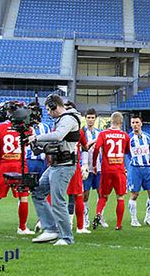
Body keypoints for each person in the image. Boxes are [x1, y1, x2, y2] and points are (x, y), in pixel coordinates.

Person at [29, 94, 81, 246]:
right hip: (56, 165)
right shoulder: (63, 119)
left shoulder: (68, 119)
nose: (48, 113)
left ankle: (66, 237)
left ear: (54, 106)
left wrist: (37, 138)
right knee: (37, 192)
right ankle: (51, 229)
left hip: (64, 165)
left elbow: (58, 136)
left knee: (58, 201)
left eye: (49, 109)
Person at [0, 116, 34, 235]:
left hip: (4, 164)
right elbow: (31, 143)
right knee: (23, 197)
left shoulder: (0, 127)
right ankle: (22, 227)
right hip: (20, 165)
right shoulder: (26, 128)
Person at [91, 112, 130, 231]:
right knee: (120, 197)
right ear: (121, 122)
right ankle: (118, 224)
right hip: (119, 170)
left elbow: (96, 148)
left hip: (107, 169)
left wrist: (94, 164)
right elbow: (127, 151)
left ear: (110, 121)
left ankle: (98, 213)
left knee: (103, 196)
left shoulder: (103, 134)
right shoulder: (125, 136)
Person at [64, 100, 90, 235]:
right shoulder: (78, 131)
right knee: (76, 196)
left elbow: (85, 148)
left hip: (63, 165)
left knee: (61, 196)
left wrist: (84, 164)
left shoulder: (59, 128)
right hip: (70, 165)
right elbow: (85, 147)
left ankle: (66, 224)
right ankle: (78, 226)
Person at [127, 115, 150, 227]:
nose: (135, 125)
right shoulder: (128, 138)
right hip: (135, 169)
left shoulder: (147, 137)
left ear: (141, 123)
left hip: (147, 168)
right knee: (134, 194)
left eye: (137, 122)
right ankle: (133, 219)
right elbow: (126, 153)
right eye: (133, 123)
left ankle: (148, 218)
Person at [80, 108, 104, 229]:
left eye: (92, 117)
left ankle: (100, 217)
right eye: (88, 117)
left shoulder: (100, 132)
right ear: (85, 118)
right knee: (85, 194)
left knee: (101, 193)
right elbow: (83, 147)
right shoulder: (81, 132)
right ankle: (85, 219)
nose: (90, 120)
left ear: (96, 118)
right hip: (86, 168)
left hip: (99, 168)